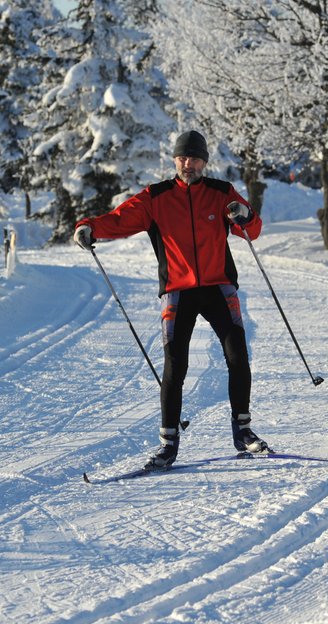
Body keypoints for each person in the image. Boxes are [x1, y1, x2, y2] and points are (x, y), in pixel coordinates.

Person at [73, 129, 270, 469]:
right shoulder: (157, 197)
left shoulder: (221, 193)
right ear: (174, 160)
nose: (187, 163)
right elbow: (118, 220)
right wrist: (88, 227)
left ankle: (244, 432)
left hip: (218, 286)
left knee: (237, 354)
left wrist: (244, 214)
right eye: (181, 157)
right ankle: (167, 445)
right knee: (175, 365)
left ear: (204, 162)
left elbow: (252, 230)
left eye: (193, 158)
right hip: (177, 290)